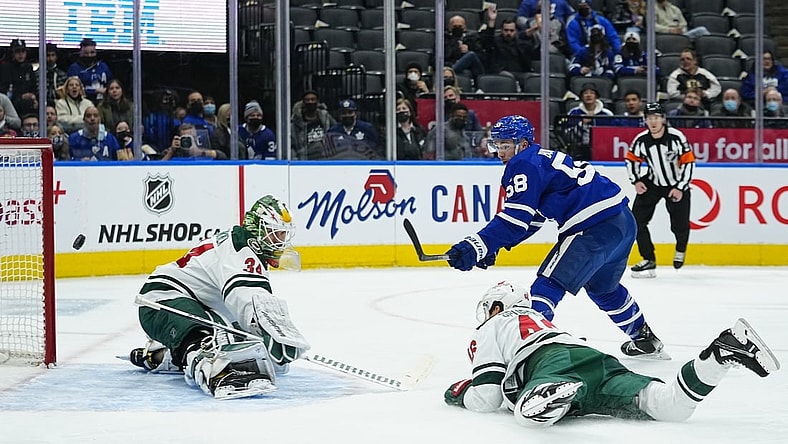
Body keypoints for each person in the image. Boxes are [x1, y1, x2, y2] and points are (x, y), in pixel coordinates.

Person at [445, 114, 667, 358]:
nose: (500, 153)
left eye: (506, 145)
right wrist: (493, 247)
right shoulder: (541, 160)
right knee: (603, 288)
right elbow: (532, 220)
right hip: (622, 223)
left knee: (548, 284)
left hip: (593, 226)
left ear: (524, 144)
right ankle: (644, 338)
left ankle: (531, 348)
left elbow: (514, 220)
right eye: (497, 145)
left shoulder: (523, 164)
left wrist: (475, 245)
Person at [444, 281, 780, 427]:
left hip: (550, 364)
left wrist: (461, 393)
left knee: (526, 415)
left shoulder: (491, 326)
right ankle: (720, 353)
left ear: (497, 305)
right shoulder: (540, 319)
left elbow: (487, 397)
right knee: (670, 407)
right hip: (595, 360)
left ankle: (549, 391)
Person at [128, 194, 310, 399]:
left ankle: (164, 354)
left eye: (282, 235)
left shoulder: (244, 245)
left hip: (196, 304)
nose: (279, 242)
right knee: (206, 341)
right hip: (162, 301)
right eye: (274, 234)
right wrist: (270, 329)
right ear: (256, 229)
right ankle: (212, 368)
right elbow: (246, 295)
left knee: (259, 353)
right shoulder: (242, 249)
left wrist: (263, 336)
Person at [626, 102, 695, 277]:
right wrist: (635, 180)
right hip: (653, 182)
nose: (653, 122)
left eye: (656, 118)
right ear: (645, 121)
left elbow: (688, 162)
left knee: (679, 225)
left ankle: (680, 248)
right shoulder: (641, 140)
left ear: (663, 119)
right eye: (649, 118)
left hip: (676, 184)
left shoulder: (677, 137)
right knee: (636, 221)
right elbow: (631, 159)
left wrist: (680, 187)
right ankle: (648, 259)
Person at [565, 82, 614, 160]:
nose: (589, 95)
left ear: (596, 96)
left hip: (602, 149)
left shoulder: (606, 114)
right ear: (581, 97)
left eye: (592, 93)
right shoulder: (574, 113)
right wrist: (582, 124)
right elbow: (567, 133)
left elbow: (612, 134)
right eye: (585, 93)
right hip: (579, 149)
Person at [482, 11, 534, 76]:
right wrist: (492, 21)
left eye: (511, 30)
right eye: (506, 30)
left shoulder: (522, 45)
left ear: (516, 31)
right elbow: (488, 41)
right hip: (501, 74)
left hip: (520, 74)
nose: (508, 33)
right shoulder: (495, 42)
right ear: (501, 30)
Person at [290, 90, 336, 160]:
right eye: (307, 100)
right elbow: (291, 145)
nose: (310, 102)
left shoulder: (326, 117)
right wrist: (295, 161)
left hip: (326, 159)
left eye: (312, 99)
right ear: (303, 102)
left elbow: (336, 132)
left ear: (317, 101)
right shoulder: (296, 123)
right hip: (305, 160)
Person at [67, 38, 112, 104]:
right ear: (80, 53)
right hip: (81, 102)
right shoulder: (74, 68)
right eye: (86, 53)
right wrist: (95, 91)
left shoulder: (103, 66)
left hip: (103, 102)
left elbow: (111, 84)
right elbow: (72, 89)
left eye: (92, 52)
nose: (89, 55)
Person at [445, 15, 485, 82]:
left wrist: (468, 50)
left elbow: (481, 57)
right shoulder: (444, 39)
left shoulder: (472, 38)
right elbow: (439, 58)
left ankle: (480, 86)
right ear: (449, 27)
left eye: (460, 26)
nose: (457, 28)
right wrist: (456, 48)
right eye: (455, 26)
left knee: (471, 55)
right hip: (450, 65)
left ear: (465, 27)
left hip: (471, 69)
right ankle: (451, 71)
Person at [161, 122, 226, 161]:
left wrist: (199, 152)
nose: (188, 140)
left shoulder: (203, 148)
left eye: (191, 137)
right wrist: (171, 152)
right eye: (185, 138)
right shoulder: (171, 151)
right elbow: (157, 167)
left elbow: (223, 157)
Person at [0, 39, 36, 106]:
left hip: (28, 103)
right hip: (11, 103)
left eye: (23, 51)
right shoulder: (6, 68)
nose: (21, 54)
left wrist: (32, 95)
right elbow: (4, 90)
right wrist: (20, 96)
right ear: (12, 53)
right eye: (17, 51)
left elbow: (33, 86)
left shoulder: (28, 67)